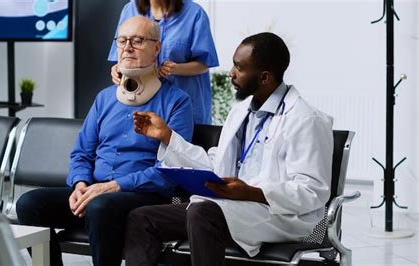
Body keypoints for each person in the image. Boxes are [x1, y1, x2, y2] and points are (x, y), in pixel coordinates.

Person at [125, 32, 334, 266]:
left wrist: (253, 192)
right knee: (142, 218)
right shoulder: (242, 110)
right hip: (231, 206)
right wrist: (166, 135)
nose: (231, 74)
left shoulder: (305, 119)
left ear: (264, 77)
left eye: (239, 68)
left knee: (202, 213)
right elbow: (216, 163)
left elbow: (312, 191)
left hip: (279, 215)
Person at [16, 16, 194, 266]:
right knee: (29, 204)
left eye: (137, 40)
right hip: (95, 191)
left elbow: (172, 170)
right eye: (122, 41)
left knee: (100, 206)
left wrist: (114, 186)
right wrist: (79, 184)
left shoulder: (177, 101)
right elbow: (81, 153)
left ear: (156, 48)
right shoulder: (104, 98)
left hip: (143, 195)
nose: (127, 47)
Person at [108, 0, 219, 125]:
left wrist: (176, 69)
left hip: (185, 105)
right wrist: (117, 68)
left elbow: (205, 63)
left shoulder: (195, 13)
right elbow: (122, 53)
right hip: (140, 104)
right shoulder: (130, 10)